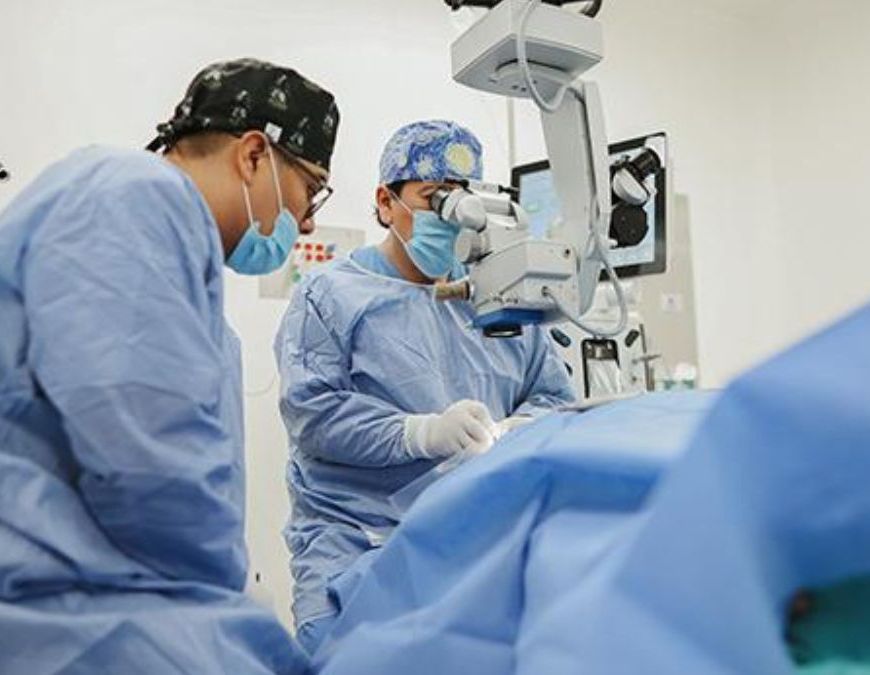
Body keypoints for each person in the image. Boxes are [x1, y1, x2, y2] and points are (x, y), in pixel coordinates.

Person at [0, 58, 339, 674]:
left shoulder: (178, 264)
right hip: (55, 614)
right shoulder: (134, 197)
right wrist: (222, 599)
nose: (309, 219)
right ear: (254, 155)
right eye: (310, 188)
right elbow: (143, 451)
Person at [275, 119, 576, 656]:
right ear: (385, 203)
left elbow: (554, 396)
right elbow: (313, 414)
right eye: (434, 197)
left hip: (474, 545)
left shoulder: (498, 297)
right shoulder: (331, 295)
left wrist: (522, 428)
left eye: (462, 199)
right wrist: (421, 434)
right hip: (358, 546)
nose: (450, 215)